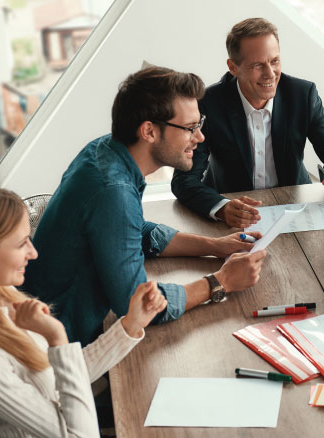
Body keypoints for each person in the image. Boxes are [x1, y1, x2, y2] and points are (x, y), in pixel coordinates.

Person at [23, 66, 266, 347]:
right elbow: (140, 305)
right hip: (64, 346)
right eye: (190, 128)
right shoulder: (113, 192)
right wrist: (220, 282)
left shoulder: (103, 151)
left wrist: (215, 246)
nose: (199, 138)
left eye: (199, 125)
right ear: (149, 131)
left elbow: (134, 230)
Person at [0, 185, 167, 436]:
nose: (33, 252)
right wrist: (56, 337)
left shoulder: (0, 297)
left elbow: (65, 379)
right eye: (21, 243)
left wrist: (131, 325)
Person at [171, 18, 324, 229]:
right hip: (234, 212)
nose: (270, 73)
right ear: (233, 67)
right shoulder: (208, 103)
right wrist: (222, 207)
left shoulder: (302, 95)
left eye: (275, 61)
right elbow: (184, 181)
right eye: (258, 65)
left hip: (295, 208)